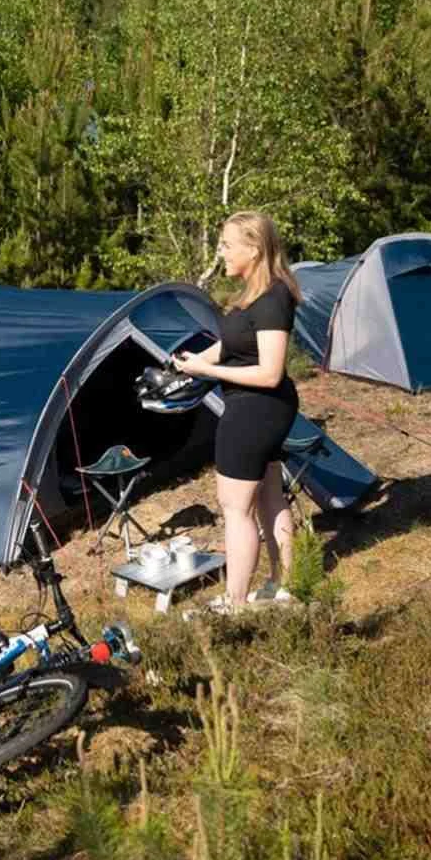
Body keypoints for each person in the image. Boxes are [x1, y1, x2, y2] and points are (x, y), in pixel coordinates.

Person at [171, 211, 302, 610]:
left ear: (254, 248)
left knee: (235, 507)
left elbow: (270, 373)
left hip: (255, 412)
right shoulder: (253, 295)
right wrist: (195, 362)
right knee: (269, 497)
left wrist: (209, 372)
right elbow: (232, 345)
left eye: (227, 245)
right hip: (260, 409)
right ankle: (282, 586)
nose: (222, 253)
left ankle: (236, 602)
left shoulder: (273, 298)